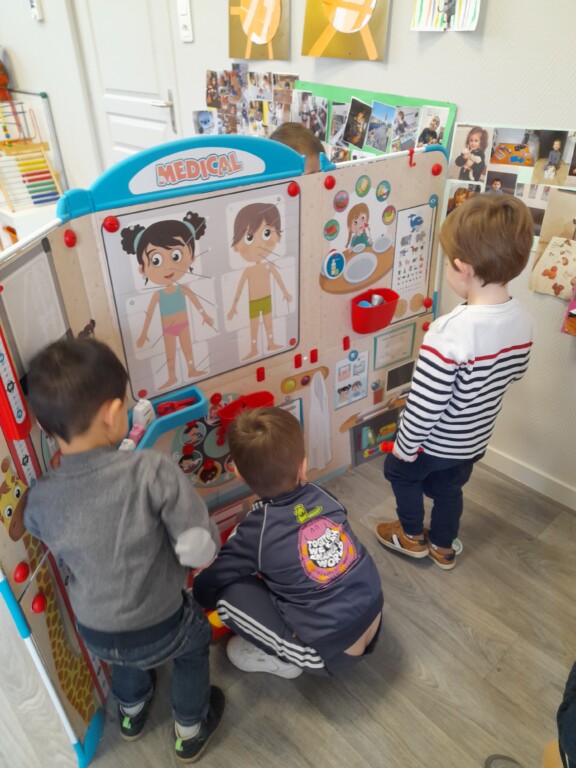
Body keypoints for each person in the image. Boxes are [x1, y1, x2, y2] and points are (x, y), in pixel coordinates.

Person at [23, 338, 225, 763]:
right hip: (162, 625)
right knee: (194, 642)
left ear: (43, 426)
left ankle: (131, 713)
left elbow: (44, 525)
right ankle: (190, 729)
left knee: (123, 650)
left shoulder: (41, 498)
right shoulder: (152, 470)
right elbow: (199, 550)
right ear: (113, 414)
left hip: (95, 631)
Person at [375, 194, 534, 570]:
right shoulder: (523, 319)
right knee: (449, 489)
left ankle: (411, 535)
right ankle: (443, 546)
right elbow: (516, 372)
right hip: (473, 440)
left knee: (399, 473)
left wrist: (404, 448)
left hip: (433, 442)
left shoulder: (448, 332)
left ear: (461, 268)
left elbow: (424, 407)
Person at [193, 407, 383, 678]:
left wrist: (199, 584)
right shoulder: (322, 494)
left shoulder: (254, 531)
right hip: (373, 610)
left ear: (239, 475)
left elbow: (212, 584)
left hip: (329, 655)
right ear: (303, 467)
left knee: (227, 598)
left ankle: (284, 661)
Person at [121, 212, 215, 390]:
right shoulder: (159, 295)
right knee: (170, 354)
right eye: (156, 260)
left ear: (191, 257)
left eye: (176, 256)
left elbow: (196, 302)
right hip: (168, 328)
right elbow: (149, 314)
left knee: (187, 349)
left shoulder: (182, 289)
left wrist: (205, 316)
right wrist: (143, 333)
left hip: (183, 324)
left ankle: (191, 369)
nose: (167, 267)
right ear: (143, 269)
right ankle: (172, 376)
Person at [227, 202, 292, 360]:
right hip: (254, 302)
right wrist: (234, 306)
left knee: (269, 323)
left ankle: (270, 343)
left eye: (266, 233)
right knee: (254, 326)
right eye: (249, 237)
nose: (258, 245)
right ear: (236, 246)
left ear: (278, 236)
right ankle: (254, 348)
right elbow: (240, 289)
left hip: (266, 299)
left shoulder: (269, 266)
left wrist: (285, 292)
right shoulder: (248, 271)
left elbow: (278, 280)